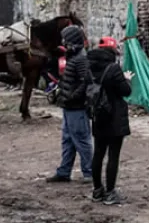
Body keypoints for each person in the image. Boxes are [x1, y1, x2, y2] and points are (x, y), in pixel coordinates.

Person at [88, 37, 134, 205]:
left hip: (98, 115)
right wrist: (126, 78)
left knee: (98, 154)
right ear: (113, 51)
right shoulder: (113, 68)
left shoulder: (90, 66)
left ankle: (97, 190)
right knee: (113, 155)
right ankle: (110, 193)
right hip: (114, 116)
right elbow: (126, 91)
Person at [47, 25, 93, 183]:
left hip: (77, 107)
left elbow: (86, 81)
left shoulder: (80, 59)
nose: (63, 43)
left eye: (65, 40)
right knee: (68, 140)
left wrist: (73, 96)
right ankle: (64, 172)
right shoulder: (74, 57)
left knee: (81, 140)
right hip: (69, 105)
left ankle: (89, 172)